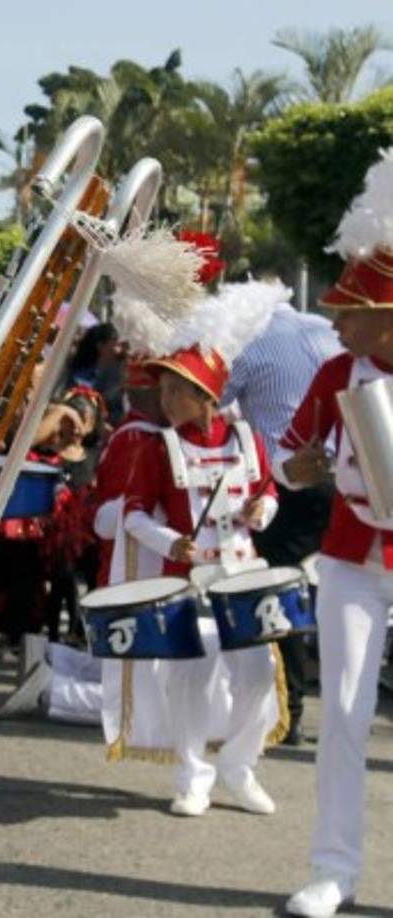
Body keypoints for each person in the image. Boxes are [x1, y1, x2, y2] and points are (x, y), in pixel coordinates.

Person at [122, 282, 284, 818]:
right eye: (163, 389)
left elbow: (268, 491)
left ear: (207, 396)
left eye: (176, 390)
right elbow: (134, 515)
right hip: (188, 580)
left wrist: (263, 510)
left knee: (257, 674)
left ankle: (240, 765)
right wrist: (174, 542)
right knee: (191, 677)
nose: (164, 400)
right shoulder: (155, 446)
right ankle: (192, 777)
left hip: (243, 575)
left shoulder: (248, 440)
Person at [281, 149, 393, 918]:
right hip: (353, 560)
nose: (336, 319)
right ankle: (333, 868)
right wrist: (308, 466)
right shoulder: (331, 376)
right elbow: (287, 463)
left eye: (349, 311)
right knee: (345, 715)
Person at [222, 290, 342, 746]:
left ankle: (287, 712)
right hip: (342, 481)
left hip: (289, 484)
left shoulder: (252, 341)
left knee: (277, 594)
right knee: (337, 595)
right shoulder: (324, 330)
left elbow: (211, 401)